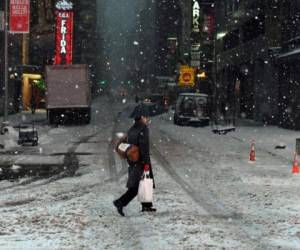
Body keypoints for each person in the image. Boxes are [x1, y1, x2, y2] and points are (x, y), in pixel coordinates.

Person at [113, 105, 156, 216]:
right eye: (146, 117)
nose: (147, 119)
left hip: (133, 160)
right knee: (137, 186)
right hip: (140, 161)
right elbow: (144, 148)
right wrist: (146, 163)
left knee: (145, 183)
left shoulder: (132, 129)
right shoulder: (143, 129)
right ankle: (120, 202)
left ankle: (146, 205)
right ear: (141, 117)